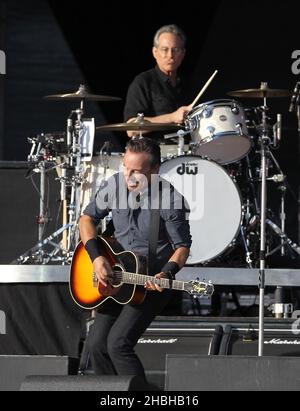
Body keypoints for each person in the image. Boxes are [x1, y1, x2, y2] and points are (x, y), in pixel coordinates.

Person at [79, 137, 191, 379]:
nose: (128, 177)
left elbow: (182, 247)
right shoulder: (115, 185)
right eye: (126, 168)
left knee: (118, 345)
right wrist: (98, 258)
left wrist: (167, 273)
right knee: (96, 346)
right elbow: (86, 219)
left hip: (150, 282)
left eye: (136, 172)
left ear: (155, 170)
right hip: (116, 275)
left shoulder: (170, 200)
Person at [124, 24, 192, 139]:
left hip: (187, 151)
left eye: (175, 50)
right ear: (155, 52)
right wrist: (172, 118)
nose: (170, 55)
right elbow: (131, 129)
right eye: (165, 50)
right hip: (154, 153)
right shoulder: (142, 82)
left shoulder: (188, 84)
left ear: (183, 54)